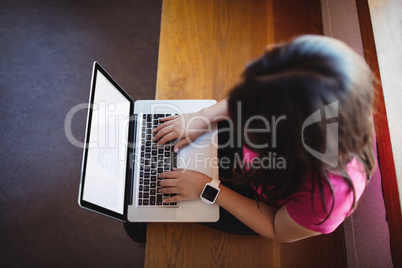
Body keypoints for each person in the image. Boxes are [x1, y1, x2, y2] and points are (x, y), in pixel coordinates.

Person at [125, 35, 376, 243]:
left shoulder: (329, 198)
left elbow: (277, 228)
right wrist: (204, 116)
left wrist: (208, 189)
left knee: (147, 211)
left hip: (259, 203)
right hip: (255, 167)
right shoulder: (313, 93)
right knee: (154, 158)